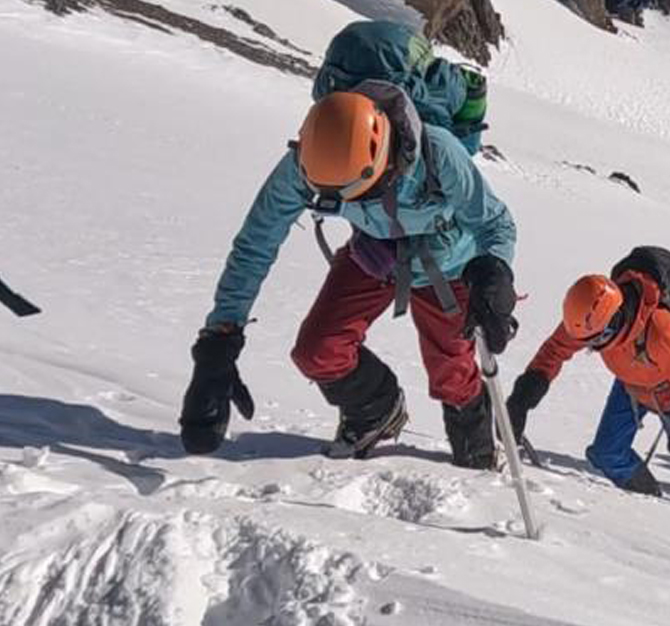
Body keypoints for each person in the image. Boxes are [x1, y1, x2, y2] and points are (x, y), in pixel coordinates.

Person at [178, 50, 517, 465]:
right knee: (318, 350)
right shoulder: (307, 161)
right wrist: (220, 340)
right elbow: (257, 241)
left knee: (452, 374)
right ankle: (376, 408)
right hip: (374, 254)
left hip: (447, 265)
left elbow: (495, 223)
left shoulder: (438, 151)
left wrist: (495, 271)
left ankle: (477, 447)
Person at [505, 251, 670, 511]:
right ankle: (650, 502)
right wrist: (522, 397)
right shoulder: (588, 319)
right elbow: (555, 349)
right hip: (630, 386)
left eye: (596, 339)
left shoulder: (662, 332)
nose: (590, 346)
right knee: (606, 453)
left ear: (613, 321)